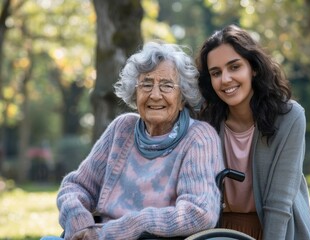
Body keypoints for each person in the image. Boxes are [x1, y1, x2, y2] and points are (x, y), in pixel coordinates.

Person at [41, 41, 224, 240]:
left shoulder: (198, 137)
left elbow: (199, 212)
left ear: (182, 99)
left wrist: (130, 226)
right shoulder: (123, 129)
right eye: (146, 84)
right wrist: (79, 223)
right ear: (135, 94)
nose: (155, 95)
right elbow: (75, 187)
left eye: (167, 85)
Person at [195, 24, 310, 240]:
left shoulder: (289, 117)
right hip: (221, 231)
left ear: (254, 68)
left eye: (234, 67)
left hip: (278, 229)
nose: (225, 79)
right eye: (216, 72)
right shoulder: (205, 120)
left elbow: (279, 202)